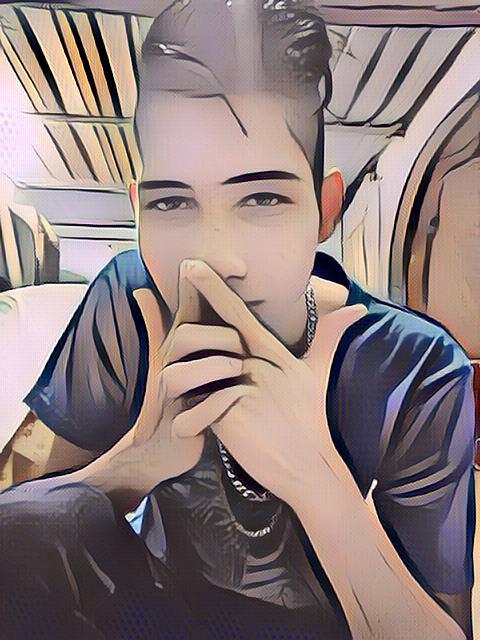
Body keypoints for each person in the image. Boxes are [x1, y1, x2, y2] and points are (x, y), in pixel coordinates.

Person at [0, 2, 475, 639]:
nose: (213, 261)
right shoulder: (131, 298)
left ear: (324, 210)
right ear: (140, 212)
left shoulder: (414, 365)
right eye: (173, 202)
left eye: (263, 197)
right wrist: (138, 460)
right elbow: (22, 527)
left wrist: (319, 484)